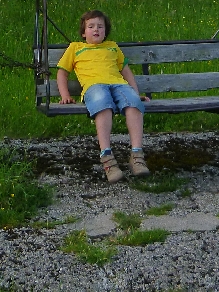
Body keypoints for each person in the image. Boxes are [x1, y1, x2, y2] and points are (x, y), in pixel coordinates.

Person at [56, 10, 151, 183]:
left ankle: (137, 155)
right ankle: (108, 159)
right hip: (94, 86)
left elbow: (126, 72)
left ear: (105, 31)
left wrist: (136, 93)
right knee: (102, 103)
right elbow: (62, 73)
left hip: (118, 84)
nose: (96, 29)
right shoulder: (75, 48)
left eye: (100, 26)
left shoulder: (112, 47)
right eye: (91, 26)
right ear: (83, 33)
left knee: (133, 103)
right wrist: (65, 95)